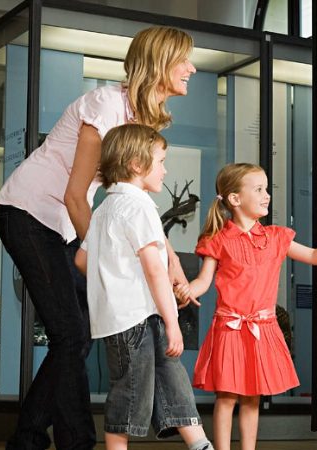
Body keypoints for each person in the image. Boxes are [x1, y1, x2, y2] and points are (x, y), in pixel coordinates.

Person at [0, 26, 197, 450]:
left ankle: (50, 440)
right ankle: (48, 442)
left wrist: (172, 265)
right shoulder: (106, 104)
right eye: (184, 60)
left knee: (77, 336)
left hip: (65, 223)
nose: (191, 69)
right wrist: (109, 262)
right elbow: (74, 195)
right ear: (159, 63)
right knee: (71, 335)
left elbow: (134, 204)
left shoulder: (143, 121)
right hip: (30, 213)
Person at [174, 163, 317, 450]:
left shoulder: (276, 237)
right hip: (229, 328)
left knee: (252, 397)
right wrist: (187, 291)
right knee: (226, 397)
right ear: (235, 199)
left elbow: (312, 255)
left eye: (266, 189)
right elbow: (203, 281)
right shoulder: (219, 240)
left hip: (263, 328)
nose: (266, 195)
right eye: (259, 189)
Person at [74, 124, 212, 450]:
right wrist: (175, 323)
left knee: (170, 377)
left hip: (133, 316)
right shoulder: (140, 206)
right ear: (137, 165)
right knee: (130, 391)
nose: (165, 169)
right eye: (161, 161)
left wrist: (114, 279)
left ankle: (201, 445)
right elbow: (154, 269)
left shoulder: (106, 207)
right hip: (135, 318)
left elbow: (82, 261)